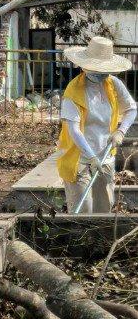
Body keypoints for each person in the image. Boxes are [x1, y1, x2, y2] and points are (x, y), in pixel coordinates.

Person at [57, 36, 136, 213]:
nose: (100, 74)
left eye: (104, 70)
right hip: (79, 158)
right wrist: (91, 157)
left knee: (104, 209)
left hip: (106, 155)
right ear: (85, 66)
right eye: (97, 69)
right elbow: (74, 130)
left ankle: (102, 242)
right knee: (83, 209)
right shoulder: (74, 91)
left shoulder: (113, 85)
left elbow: (131, 109)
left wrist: (121, 131)